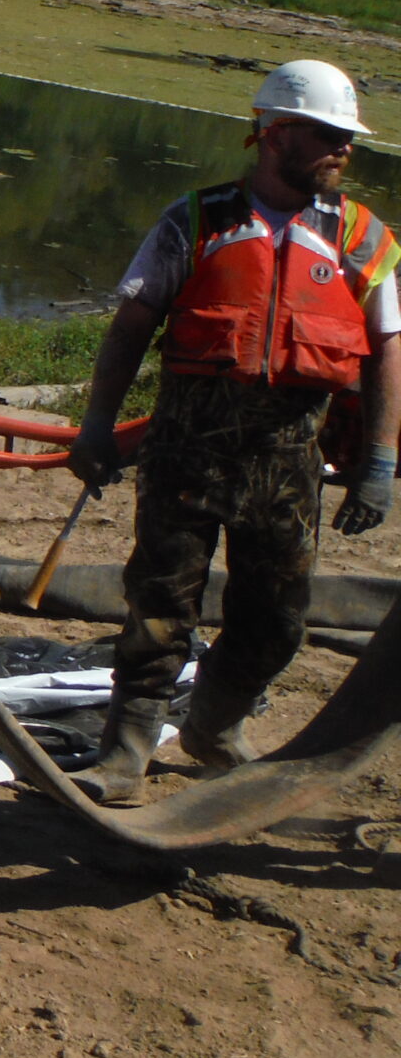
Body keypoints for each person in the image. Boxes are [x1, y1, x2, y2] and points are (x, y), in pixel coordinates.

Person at [64, 60, 400, 805]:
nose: (344, 151)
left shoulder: (360, 238)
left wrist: (379, 458)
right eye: (329, 136)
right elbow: (130, 328)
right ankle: (124, 757)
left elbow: (387, 352)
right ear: (274, 134)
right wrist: (97, 428)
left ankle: (213, 726)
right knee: (157, 609)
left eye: (348, 139)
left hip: (287, 467)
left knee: (278, 620)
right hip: (185, 457)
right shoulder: (197, 220)